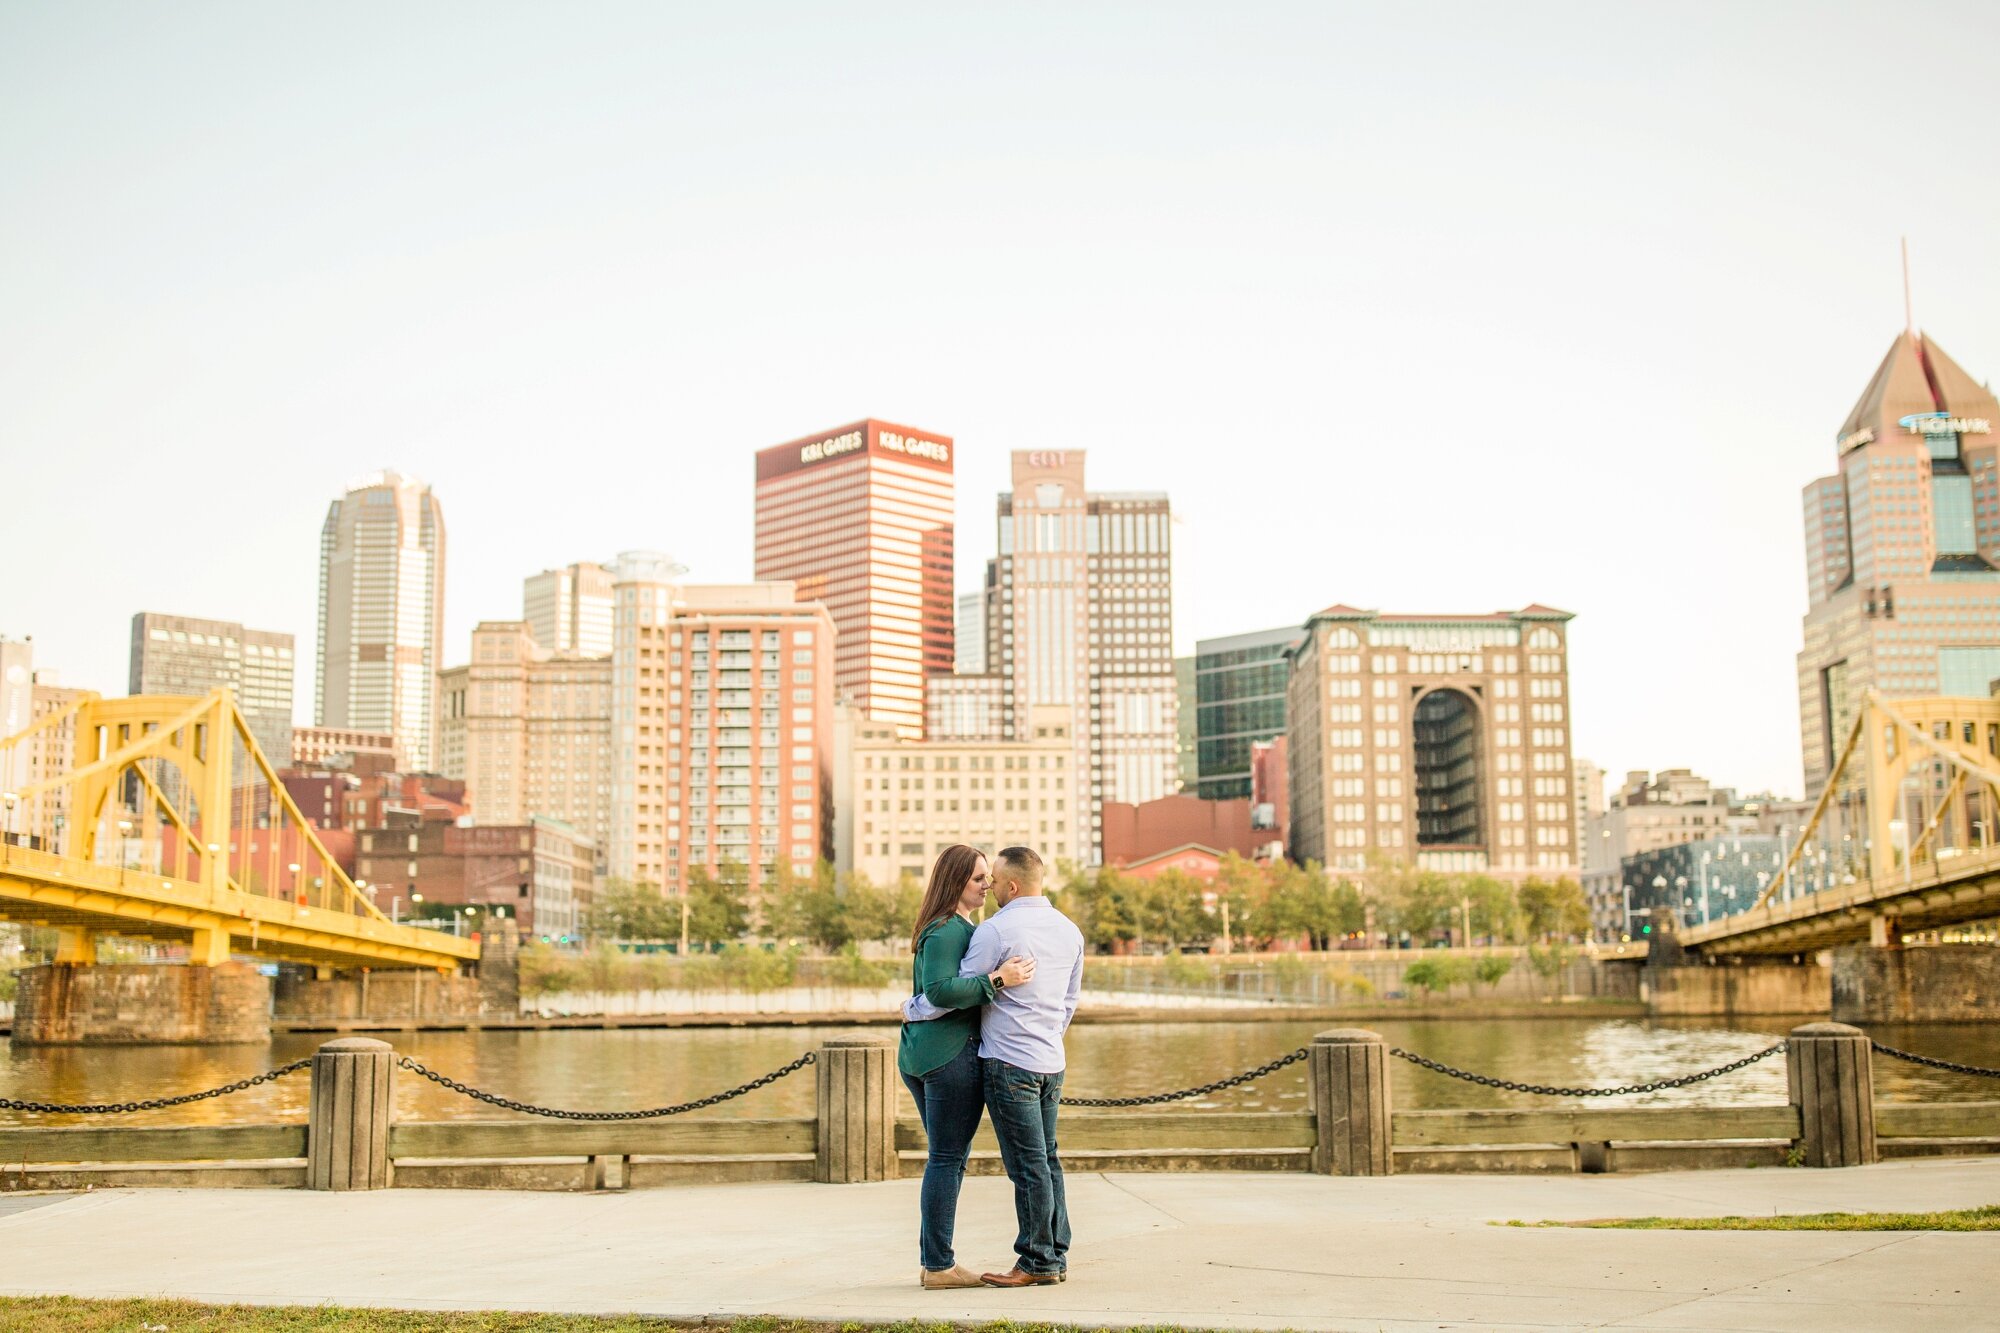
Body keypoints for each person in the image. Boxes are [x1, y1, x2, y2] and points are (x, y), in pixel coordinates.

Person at [904, 845, 1084, 1288]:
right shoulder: (1067, 930)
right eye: (978, 878)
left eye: (990, 878)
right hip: (1033, 1058)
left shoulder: (989, 930)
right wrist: (1043, 1030)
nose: (987, 885)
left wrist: (912, 1009)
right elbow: (1066, 1001)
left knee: (1017, 1163)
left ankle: (1036, 1259)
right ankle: (1044, 1256)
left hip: (1004, 1059)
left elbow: (944, 994)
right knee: (1035, 1159)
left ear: (1011, 884)